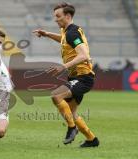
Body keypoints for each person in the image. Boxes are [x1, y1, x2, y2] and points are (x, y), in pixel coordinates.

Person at [33, 2, 99, 148]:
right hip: (76, 77)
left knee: (56, 95)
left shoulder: (72, 32)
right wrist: (48, 34)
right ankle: (91, 139)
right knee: (72, 112)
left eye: (58, 16)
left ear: (68, 16)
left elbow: (84, 55)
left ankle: (71, 128)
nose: (55, 19)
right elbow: (64, 40)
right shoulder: (67, 31)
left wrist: (63, 66)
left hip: (83, 77)